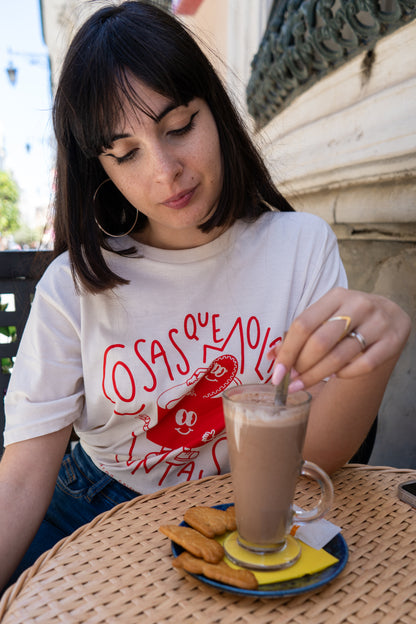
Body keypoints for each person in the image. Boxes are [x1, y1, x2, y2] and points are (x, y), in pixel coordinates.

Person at [0, 0, 410, 591]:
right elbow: (19, 480)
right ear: (101, 169)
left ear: (214, 112)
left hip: (249, 502)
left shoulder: (300, 247)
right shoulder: (74, 286)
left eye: (178, 127)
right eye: (127, 153)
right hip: (95, 502)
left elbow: (315, 457)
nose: (165, 170)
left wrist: (376, 355)